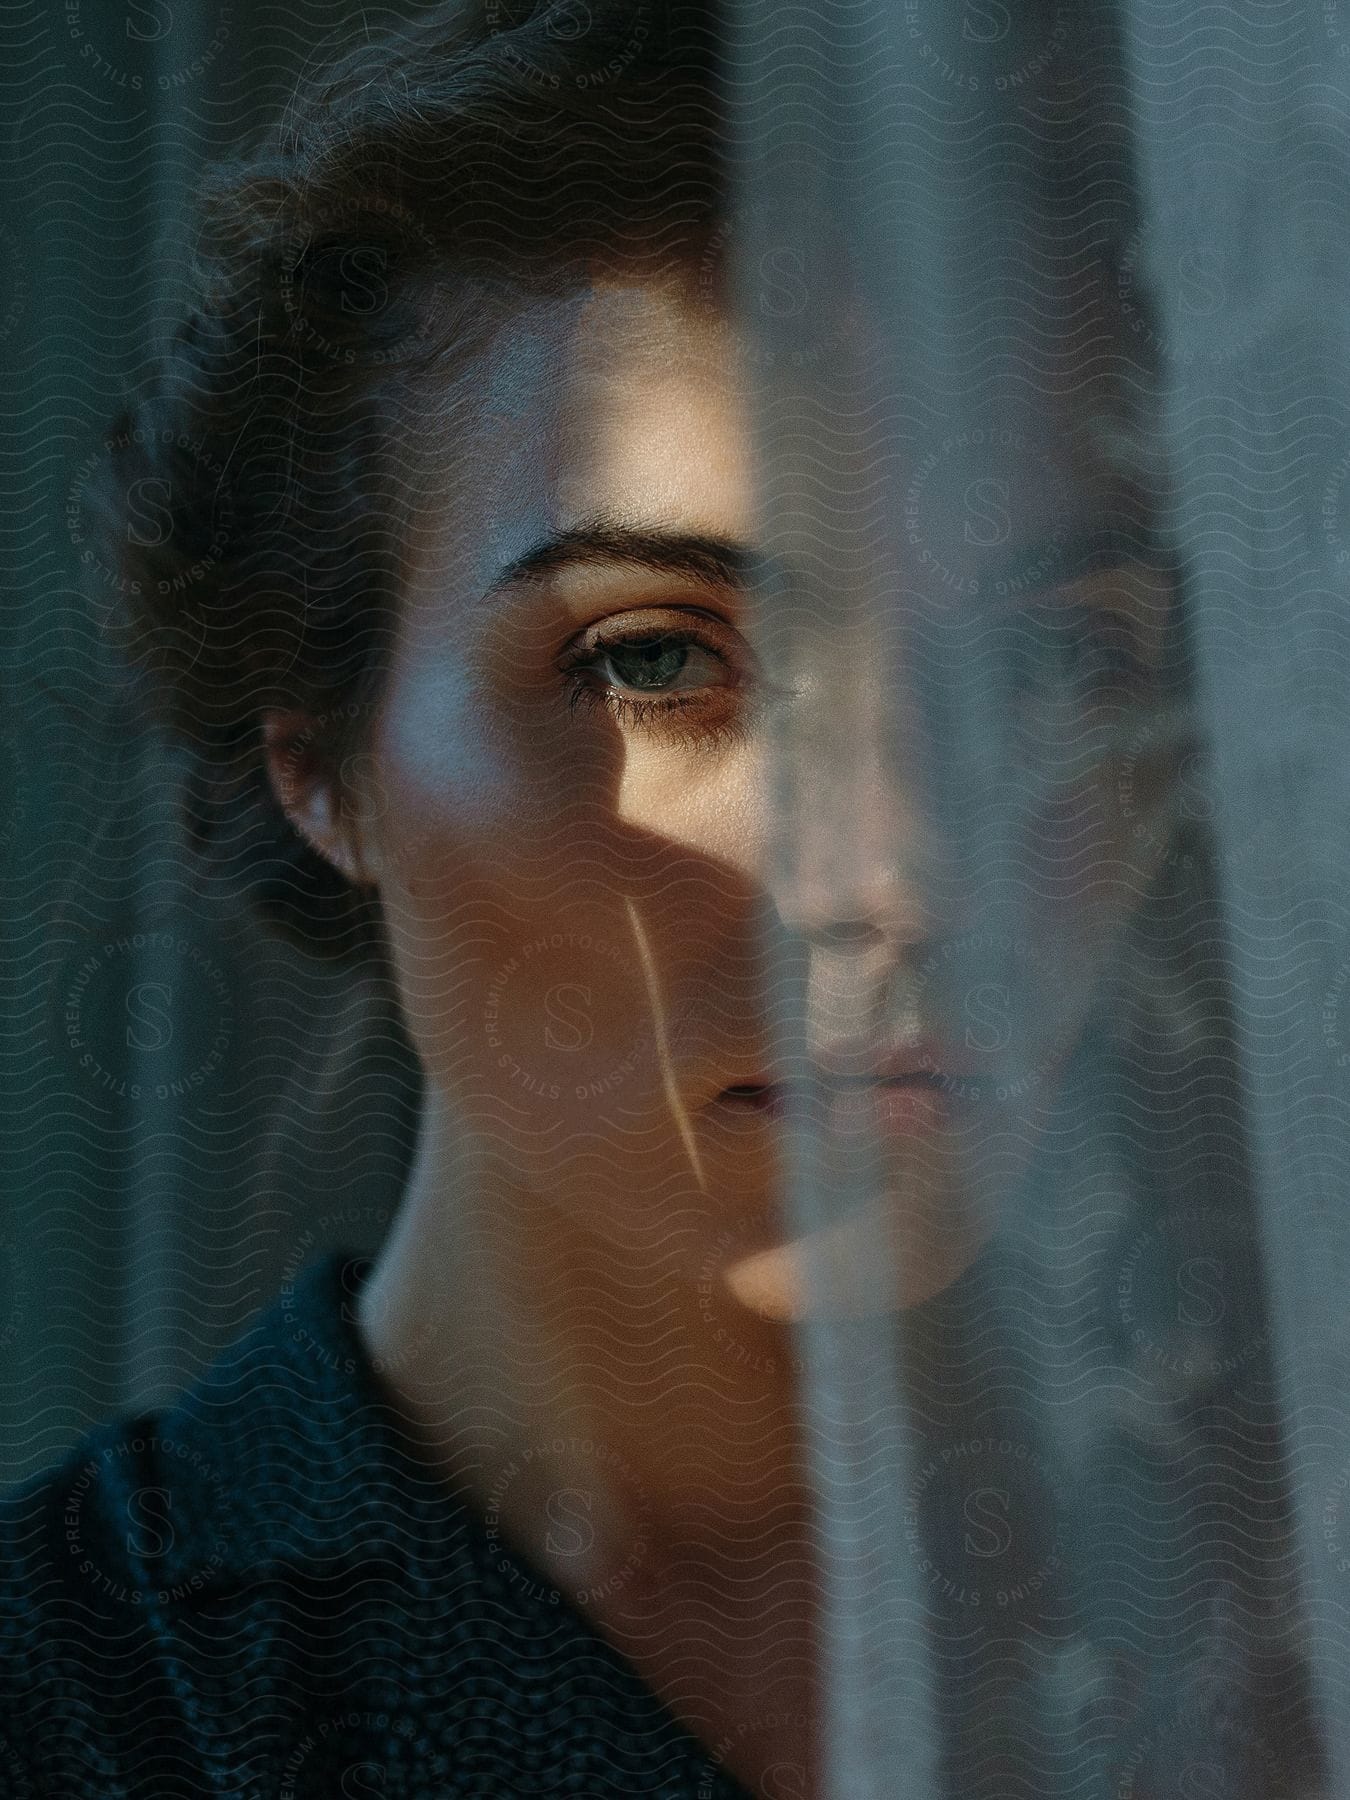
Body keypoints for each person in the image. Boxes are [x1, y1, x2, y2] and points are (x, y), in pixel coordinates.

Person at [0, 2, 1223, 1795]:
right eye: (657, 657)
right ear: (318, 761)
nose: (904, 872)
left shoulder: (1279, 1603)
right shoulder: (73, 1706)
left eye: (1047, 666)